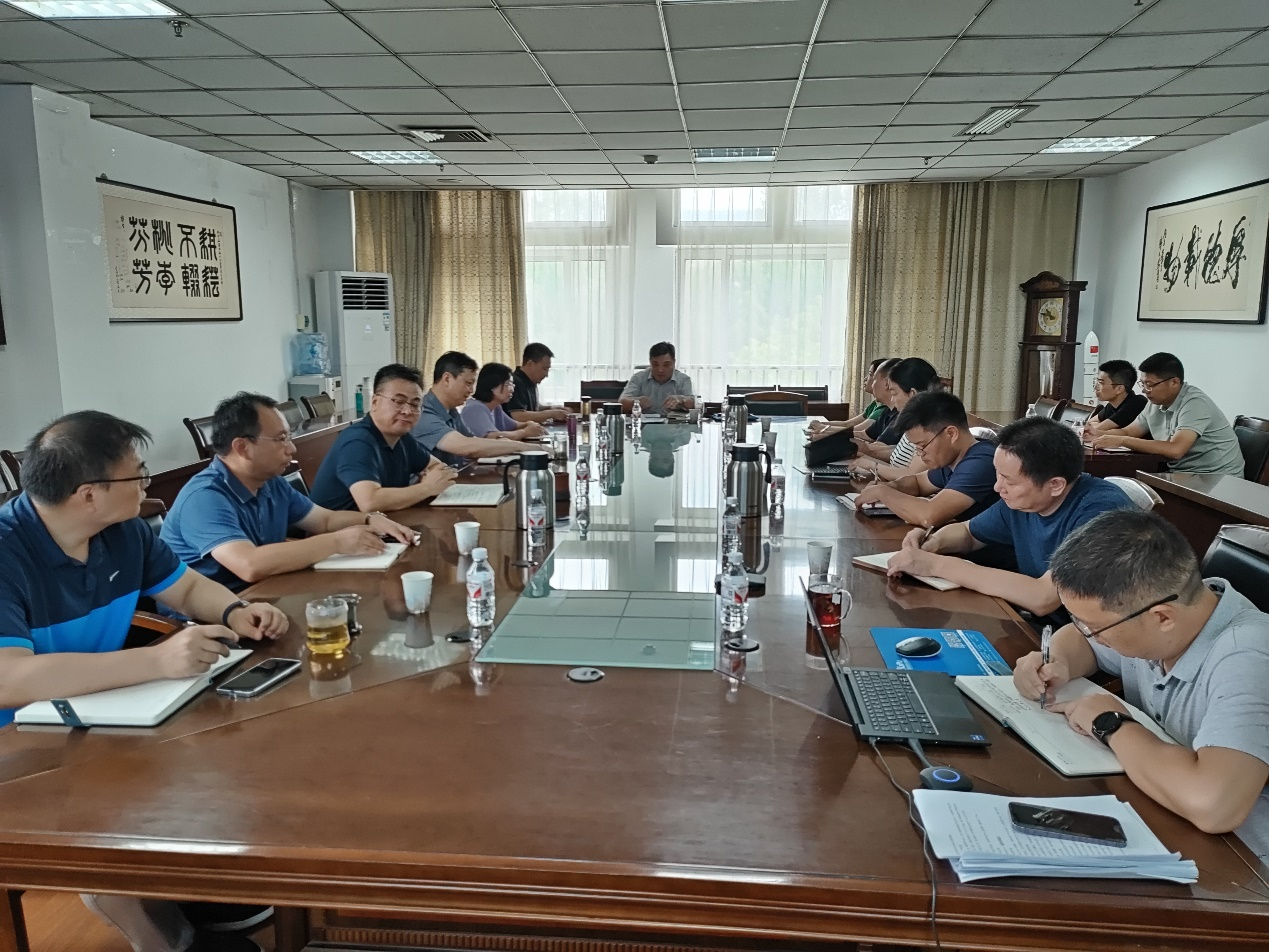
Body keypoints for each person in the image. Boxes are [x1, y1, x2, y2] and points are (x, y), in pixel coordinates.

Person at [0, 410, 290, 952]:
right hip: (16, 743)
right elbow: (8, 679)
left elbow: (187, 589)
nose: (147, 483)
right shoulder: (6, 551)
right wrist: (155, 662)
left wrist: (234, 612)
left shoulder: (123, 532)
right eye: (137, 474)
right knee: (112, 804)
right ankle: (160, 933)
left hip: (96, 710)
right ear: (89, 494)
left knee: (225, 747)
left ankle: (193, 887)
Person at [1014, 509, 1269, 859]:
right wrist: (1055, 659)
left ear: (1162, 617)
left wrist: (1111, 723)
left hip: (1241, 862)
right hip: (1164, 810)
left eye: (1094, 627)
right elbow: (1081, 641)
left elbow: (1215, 806)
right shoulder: (1159, 618)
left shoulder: (1249, 656)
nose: (1088, 633)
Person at [161, 392, 416, 592]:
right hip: (210, 620)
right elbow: (249, 564)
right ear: (242, 448)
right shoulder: (204, 497)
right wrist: (337, 542)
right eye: (281, 439)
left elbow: (324, 520)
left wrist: (370, 519)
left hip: (265, 595)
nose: (291, 448)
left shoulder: (270, 482)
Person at [887, 417, 1134, 616]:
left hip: (1093, 643)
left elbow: (1043, 597)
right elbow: (968, 533)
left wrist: (935, 565)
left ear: (1056, 484)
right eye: (997, 474)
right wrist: (931, 544)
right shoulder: (1023, 502)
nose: (998, 487)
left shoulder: (1101, 513)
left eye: (1009, 481)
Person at [311, 363, 457, 512]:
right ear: (375, 402)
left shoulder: (402, 438)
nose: (407, 411)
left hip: (384, 522)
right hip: (341, 526)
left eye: (415, 404)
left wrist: (431, 478)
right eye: (399, 402)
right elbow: (370, 502)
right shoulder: (357, 441)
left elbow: (438, 467)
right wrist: (426, 488)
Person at [854, 391, 999, 527]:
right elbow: (918, 483)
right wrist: (891, 486)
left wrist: (882, 492)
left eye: (923, 445)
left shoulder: (981, 461)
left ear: (951, 434)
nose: (920, 454)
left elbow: (929, 515)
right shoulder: (953, 458)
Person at [1091, 352, 1243, 476]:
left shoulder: (1194, 403)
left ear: (1174, 382)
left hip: (1216, 478)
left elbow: (1175, 449)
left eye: (1150, 384)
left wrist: (1122, 441)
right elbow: (1128, 431)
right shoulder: (1155, 403)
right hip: (1182, 474)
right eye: (1143, 384)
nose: (1144, 390)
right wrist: (1097, 434)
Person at [412, 351, 544, 467]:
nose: (471, 390)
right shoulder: (423, 413)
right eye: (468, 383)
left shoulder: (451, 411)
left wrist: (506, 443)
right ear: (447, 379)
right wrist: (523, 447)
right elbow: (466, 446)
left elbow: (474, 440)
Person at [853, 357, 941, 479]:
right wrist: (865, 455)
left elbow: (911, 475)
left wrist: (872, 465)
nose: (892, 400)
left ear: (912, 394)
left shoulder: (930, 427)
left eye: (894, 393)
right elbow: (898, 462)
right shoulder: (915, 421)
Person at [808, 357, 892, 439]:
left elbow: (859, 431)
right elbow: (848, 424)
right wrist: (821, 425)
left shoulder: (883, 409)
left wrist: (823, 428)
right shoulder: (875, 404)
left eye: (871, 375)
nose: (865, 378)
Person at [460, 363, 548, 441]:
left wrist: (529, 424)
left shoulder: (496, 407)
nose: (512, 389)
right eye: (508, 384)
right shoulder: (475, 408)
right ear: (492, 385)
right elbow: (493, 437)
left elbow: (514, 425)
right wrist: (525, 432)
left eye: (512, 384)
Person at [620, 341, 695, 414]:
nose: (660, 370)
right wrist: (636, 402)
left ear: (674, 363)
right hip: (645, 421)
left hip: (673, 422)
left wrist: (682, 400)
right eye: (655, 365)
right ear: (650, 362)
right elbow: (621, 402)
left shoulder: (683, 379)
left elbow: (692, 404)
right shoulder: (638, 378)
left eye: (666, 365)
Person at [505, 342, 569, 425]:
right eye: (544, 369)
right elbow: (518, 416)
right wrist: (551, 414)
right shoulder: (515, 382)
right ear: (530, 364)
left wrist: (551, 408)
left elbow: (532, 409)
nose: (546, 374)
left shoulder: (530, 381)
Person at [1084, 359, 1148, 434]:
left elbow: (1095, 429)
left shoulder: (1136, 403)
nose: (1096, 387)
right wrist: (1094, 425)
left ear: (1119, 389)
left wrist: (1095, 425)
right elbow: (1087, 424)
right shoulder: (1112, 405)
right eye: (1097, 382)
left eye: (1101, 383)